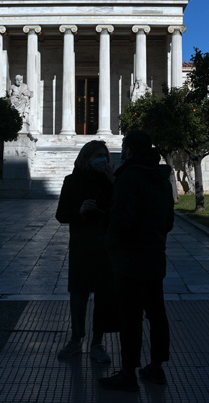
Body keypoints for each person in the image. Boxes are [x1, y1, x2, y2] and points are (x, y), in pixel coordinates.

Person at [100, 131, 174, 392]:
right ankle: (156, 368)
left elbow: (121, 220)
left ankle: (128, 373)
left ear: (129, 151)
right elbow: (169, 222)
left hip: (130, 261)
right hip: (154, 257)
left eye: (123, 147)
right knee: (157, 315)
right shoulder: (162, 179)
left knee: (130, 319)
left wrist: (111, 247)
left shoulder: (129, 177)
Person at [54, 141, 119, 363]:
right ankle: (75, 339)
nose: (102, 159)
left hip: (105, 245)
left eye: (105, 155)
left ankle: (97, 343)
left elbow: (124, 209)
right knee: (79, 293)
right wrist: (79, 210)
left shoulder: (111, 182)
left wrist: (113, 181)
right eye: (97, 155)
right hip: (81, 244)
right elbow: (61, 214)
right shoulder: (71, 182)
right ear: (86, 158)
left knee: (103, 294)